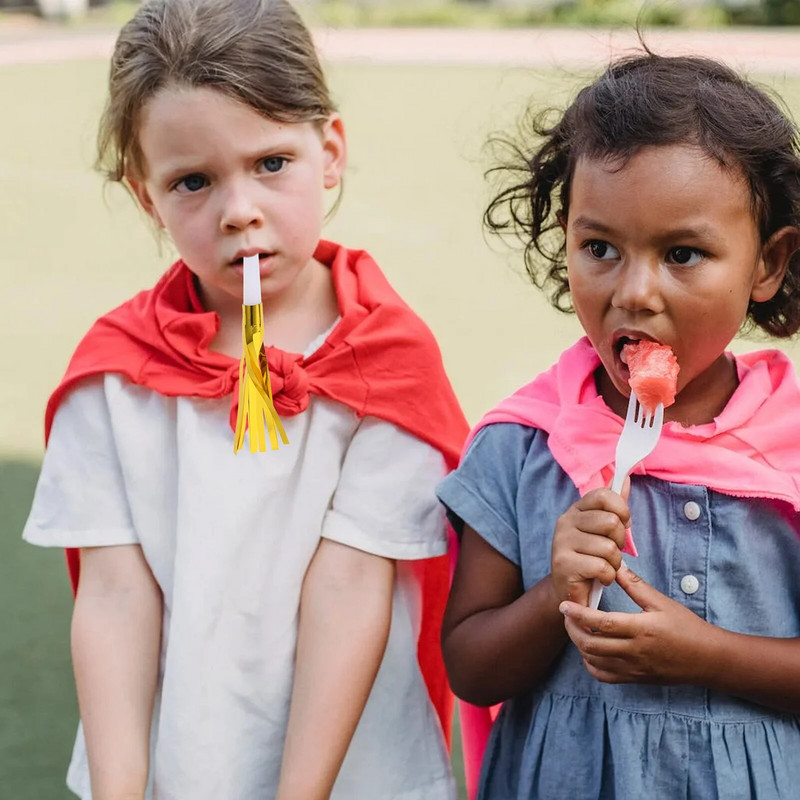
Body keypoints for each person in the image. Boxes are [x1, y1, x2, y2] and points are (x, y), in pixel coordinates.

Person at [22, 1, 467, 798]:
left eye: (271, 162)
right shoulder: (114, 377)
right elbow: (117, 597)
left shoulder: (387, 362)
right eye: (192, 181)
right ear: (146, 197)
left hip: (355, 775)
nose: (239, 212)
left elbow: (348, 587)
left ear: (329, 152)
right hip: (172, 771)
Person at [437, 51, 800, 799]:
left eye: (683, 254)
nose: (634, 292)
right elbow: (470, 669)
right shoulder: (521, 444)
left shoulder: (791, 441)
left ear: (767, 264)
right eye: (599, 248)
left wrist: (708, 655)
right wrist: (556, 592)